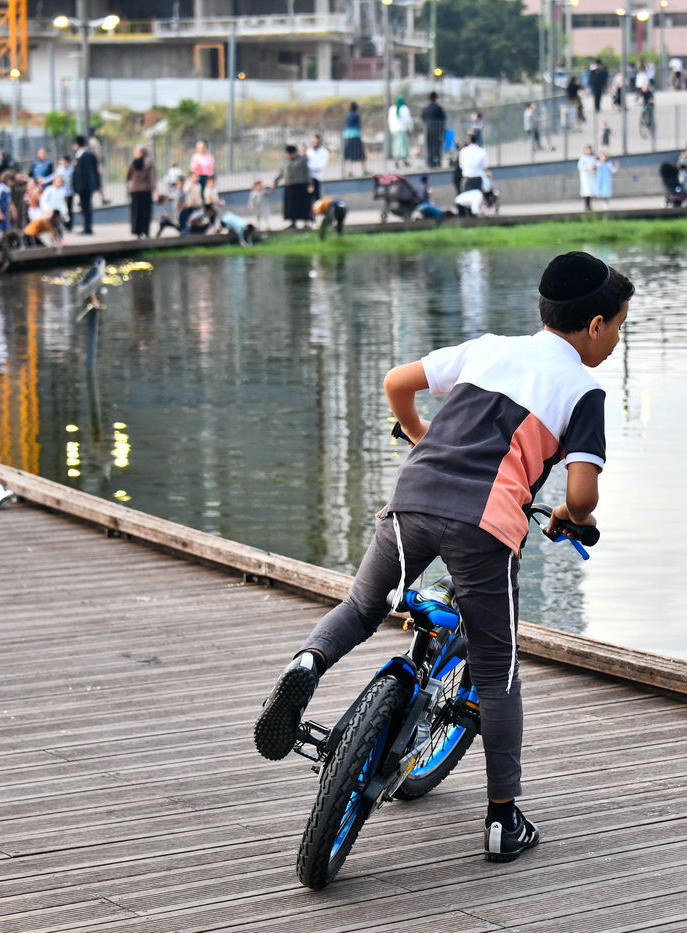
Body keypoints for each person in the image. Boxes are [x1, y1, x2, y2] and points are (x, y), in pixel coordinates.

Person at [252, 250, 632, 864]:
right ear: (594, 325)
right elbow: (583, 493)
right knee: (496, 670)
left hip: (413, 496)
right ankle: (503, 821)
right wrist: (572, 516)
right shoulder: (583, 389)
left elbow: (397, 383)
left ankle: (306, 664)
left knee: (362, 605)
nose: (615, 341)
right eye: (617, 326)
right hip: (485, 527)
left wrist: (422, 436)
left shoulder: (488, 348)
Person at [273, 144, 314, 229]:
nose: (290, 155)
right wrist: (275, 182)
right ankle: (293, 222)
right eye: (288, 153)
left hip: (301, 186)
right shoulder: (285, 161)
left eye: (291, 153)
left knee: (303, 205)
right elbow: (281, 172)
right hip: (289, 186)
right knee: (291, 206)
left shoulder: (302, 160)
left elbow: (307, 173)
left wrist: (310, 184)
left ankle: (306, 222)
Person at [71, 136, 101, 235]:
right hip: (84, 187)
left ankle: (88, 228)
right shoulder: (82, 156)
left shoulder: (86, 156)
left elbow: (85, 174)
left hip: (85, 187)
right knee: (84, 207)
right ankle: (86, 226)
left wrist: (80, 187)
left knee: (86, 207)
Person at [126, 146, 155, 238]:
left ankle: (137, 231)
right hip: (146, 189)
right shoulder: (150, 163)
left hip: (135, 189)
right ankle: (146, 231)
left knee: (136, 211)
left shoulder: (133, 163)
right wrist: (153, 189)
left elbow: (128, 175)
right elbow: (152, 177)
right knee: (146, 211)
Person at [422, 93, 448, 168]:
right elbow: (443, 118)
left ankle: (430, 162)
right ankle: (437, 161)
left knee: (429, 146)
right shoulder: (438, 108)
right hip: (437, 131)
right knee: (437, 146)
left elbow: (423, 117)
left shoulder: (425, 108)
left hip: (428, 131)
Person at [388, 96, 414, 169]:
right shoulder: (404, 109)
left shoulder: (392, 108)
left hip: (394, 130)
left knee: (401, 146)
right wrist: (410, 128)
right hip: (401, 129)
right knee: (400, 147)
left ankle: (404, 161)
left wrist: (391, 129)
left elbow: (389, 120)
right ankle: (397, 162)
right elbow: (408, 120)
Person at [343, 102, 367, 176]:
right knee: (361, 154)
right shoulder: (357, 116)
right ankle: (364, 170)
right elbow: (359, 126)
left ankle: (349, 171)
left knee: (348, 155)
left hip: (347, 136)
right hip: (356, 135)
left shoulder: (347, 116)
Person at [577, 144, 599, 210]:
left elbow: (597, 164)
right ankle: (586, 205)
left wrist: (595, 167)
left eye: (590, 150)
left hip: (591, 176)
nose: (589, 151)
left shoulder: (593, 157)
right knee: (586, 191)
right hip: (585, 177)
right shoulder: (583, 157)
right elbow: (580, 167)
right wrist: (587, 168)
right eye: (588, 150)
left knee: (591, 192)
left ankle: (589, 206)